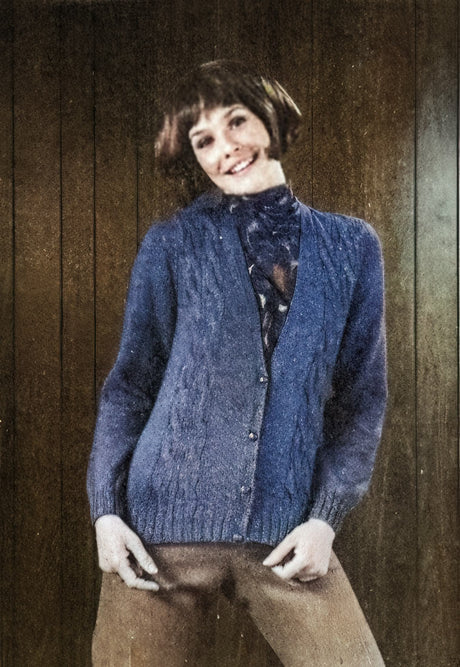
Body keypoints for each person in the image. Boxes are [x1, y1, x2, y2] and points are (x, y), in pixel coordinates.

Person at [87, 60, 387, 666]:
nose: (226, 148)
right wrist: (106, 514)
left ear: (270, 118)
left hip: (285, 536)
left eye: (237, 122)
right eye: (203, 141)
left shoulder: (352, 246)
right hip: (158, 537)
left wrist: (325, 520)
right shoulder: (172, 245)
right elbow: (129, 388)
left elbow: (363, 400)